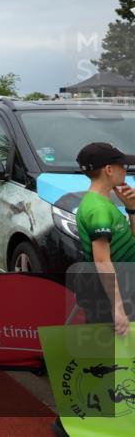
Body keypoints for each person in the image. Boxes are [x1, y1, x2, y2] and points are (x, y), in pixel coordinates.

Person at [74, 142, 135, 336]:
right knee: (114, 358)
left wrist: (132, 207)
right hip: (115, 292)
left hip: (126, 284)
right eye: (123, 166)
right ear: (109, 169)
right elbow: (102, 261)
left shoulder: (104, 202)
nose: (126, 171)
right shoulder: (97, 209)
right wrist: (117, 308)